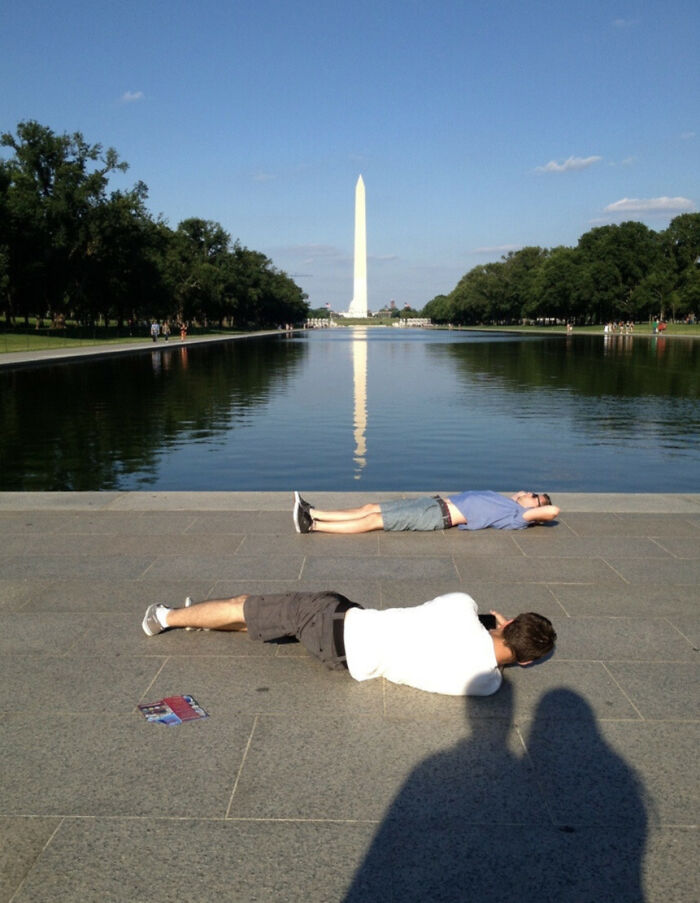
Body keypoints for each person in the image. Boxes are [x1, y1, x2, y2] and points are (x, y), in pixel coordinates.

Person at [142, 590, 556, 696]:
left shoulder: (464, 607)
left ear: (508, 621)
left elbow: (447, 606)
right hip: (346, 661)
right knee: (277, 621)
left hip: (335, 621)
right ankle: (203, 620)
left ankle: (165, 618)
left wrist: (490, 623)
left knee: (245, 605)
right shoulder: (489, 685)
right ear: (523, 663)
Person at [292, 490, 560, 534]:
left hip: (436, 517)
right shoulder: (507, 503)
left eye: (535, 496)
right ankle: (315, 512)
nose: (529, 492)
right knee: (370, 508)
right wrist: (519, 497)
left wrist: (531, 508)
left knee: (375, 520)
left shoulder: (517, 516)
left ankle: (314, 526)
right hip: (433, 503)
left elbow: (553, 510)